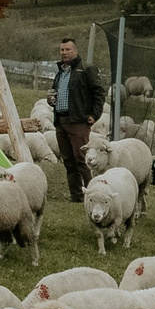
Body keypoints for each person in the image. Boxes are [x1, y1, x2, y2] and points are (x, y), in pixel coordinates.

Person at [51, 36, 105, 200]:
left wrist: (94, 114)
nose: (64, 53)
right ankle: (76, 195)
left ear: (75, 50)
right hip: (61, 120)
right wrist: (51, 100)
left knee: (82, 159)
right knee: (68, 160)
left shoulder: (86, 69)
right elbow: (57, 94)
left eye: (68, 49)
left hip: (78, 121)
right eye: (62, 50)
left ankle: (93, 193)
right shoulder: (60, 73)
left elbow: (99, 91)